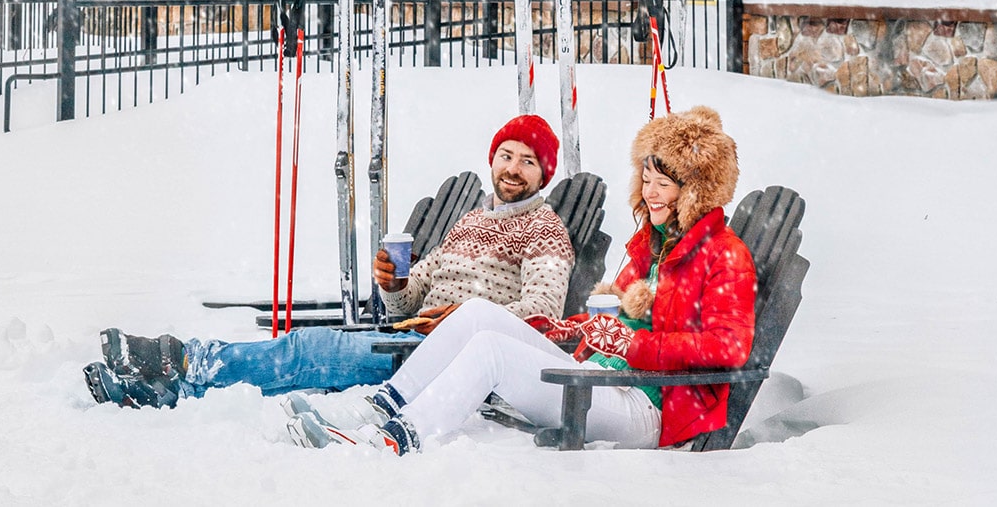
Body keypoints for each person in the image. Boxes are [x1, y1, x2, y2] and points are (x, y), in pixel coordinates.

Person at [285, 105, 756, 454]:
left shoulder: (723, 256)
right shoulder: (649, 245)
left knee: (492, 351)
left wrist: (634, 348)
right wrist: (586, 329)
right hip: (603, 378)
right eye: (646, 180)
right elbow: (615, 323)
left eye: (664, 184)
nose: (650, 194)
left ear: (694, 191)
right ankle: (374, 410)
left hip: (652, 410)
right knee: (477, 315)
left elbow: (728, 349)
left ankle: (392, 442)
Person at [83, 114, 576, 408]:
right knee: (303, 355)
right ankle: (164, 391)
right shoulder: (471, 220)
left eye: (527, 161)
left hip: (448, 356)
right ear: (492, 159)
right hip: (412, 337)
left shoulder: (545, 229)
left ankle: (182, 357)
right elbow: (409, 302)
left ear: (544, 174)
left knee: (303, 352)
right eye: (506, 155)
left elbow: (541, 316)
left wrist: (464, 321)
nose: (512, 169)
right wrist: (393, 281)